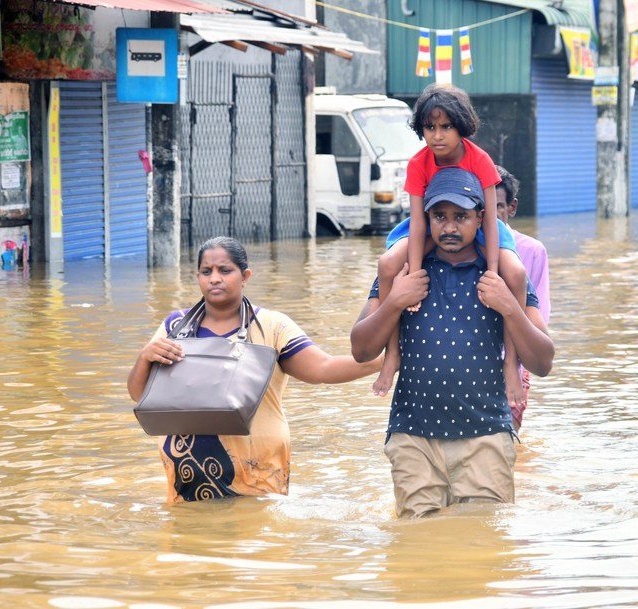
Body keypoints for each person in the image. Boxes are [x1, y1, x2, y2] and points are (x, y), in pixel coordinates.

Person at [351, 168, 554, 518]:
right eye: (439, 216)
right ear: (424, 219)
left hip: (486, 435)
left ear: (481, 218)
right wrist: (395, 301)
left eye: (461, 216)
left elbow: (543, 362)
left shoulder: (501, 275)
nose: (449, 227)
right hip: (413, 436)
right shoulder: (408, 270)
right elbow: (361, 350)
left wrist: (509, 307)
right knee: (418, 546)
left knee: (480, 544)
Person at [128, 236, 382, 504]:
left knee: (257, 542)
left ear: (245, 276)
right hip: (187, 473)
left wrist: (386, 361)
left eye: (225, 270)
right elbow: (139, 395)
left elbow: (323, 368)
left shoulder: (271, 327)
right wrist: (145, 357)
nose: (214, 278)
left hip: (258, 471)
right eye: (206, 271)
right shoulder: (175, 327)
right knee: (188, 542)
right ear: (198, 277)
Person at [374, 83, 528, 412]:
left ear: (462, 127)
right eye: (430, 127)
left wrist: (492, 273)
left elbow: (488, 217)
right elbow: (417, 221)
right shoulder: (418, 163)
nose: (438, 135)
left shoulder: (479, 159)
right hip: (430, 223)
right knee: (387, 265)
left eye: (446, 127)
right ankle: (392, 355)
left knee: (516, 274)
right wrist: (413, 275)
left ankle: (511, 366)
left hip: (480, 225)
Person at [494, 166, 551, 431]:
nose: (490, 216)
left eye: (498, 207)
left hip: (515, 367)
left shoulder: (531, 252)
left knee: (505, 448)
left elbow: (538, 326)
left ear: (511, 208)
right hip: (471, 367)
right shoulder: (463, 246)